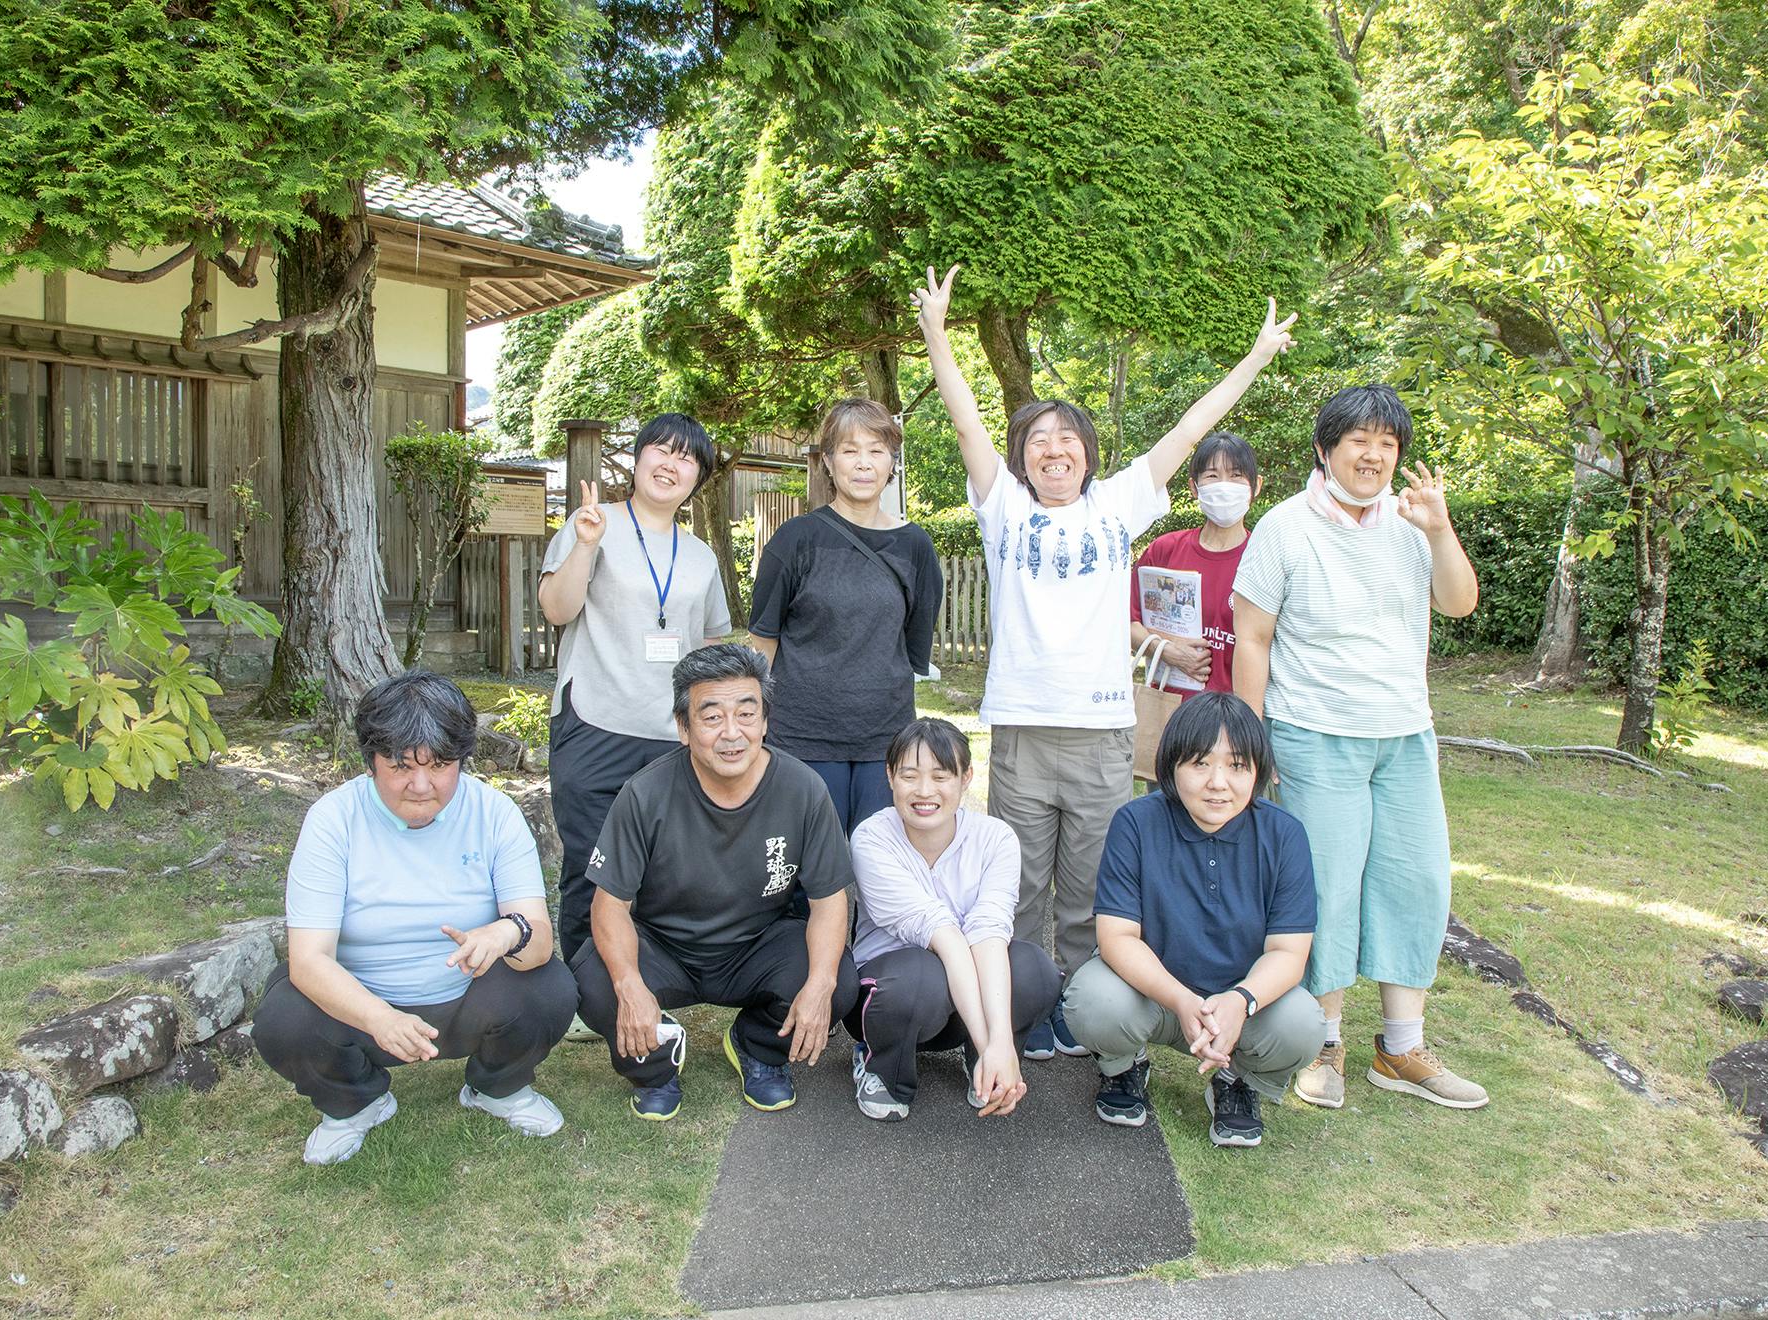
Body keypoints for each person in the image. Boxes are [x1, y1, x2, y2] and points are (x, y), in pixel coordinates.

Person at [912, 263, 1297, 1061]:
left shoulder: (1117, 505)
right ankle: (1020, 1003)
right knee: (1018, 884)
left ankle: (1079, 1008)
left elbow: (1188, 432)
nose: (1053, 451)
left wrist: (1257, 357)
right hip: (1021, 729)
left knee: (1089, 890)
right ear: (1023, 459)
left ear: (1087, 454)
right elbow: (966, 426)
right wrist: (937, 335)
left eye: (1067, 440)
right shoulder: (1003, 508)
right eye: (1037, 442)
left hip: (1101, 733)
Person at [1230, 384, 1487, 1111]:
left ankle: (1401, 1047)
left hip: (1404, 733)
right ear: (1325, 449)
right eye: (1359, 441)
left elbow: (1460, 602)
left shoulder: (1412, 523)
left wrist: (1439, 529)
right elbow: (1252, 637)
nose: (1373, 455)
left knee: (1416, 881)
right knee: (1329, 887)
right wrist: (1249, 747)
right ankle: (1324, 1041)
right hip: (1314, 731)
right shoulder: (1284, 526)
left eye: (1388, 444)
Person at [255, 672, 577, 1165]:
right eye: (400, 766)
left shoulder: (495, 812)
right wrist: (379, 1018)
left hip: (469, 996)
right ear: (371, 762)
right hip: (363, 1005)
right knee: (285, 1017)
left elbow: (537, 939)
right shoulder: (332, 820)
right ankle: (356, 1102)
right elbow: (309, 959)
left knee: (549, 987)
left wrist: (505, 932)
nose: (421, 786)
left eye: (440, 765)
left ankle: (498, 1088)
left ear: (462, 760)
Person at [570, 643, 859, 1120]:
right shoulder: (644, 793)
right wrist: (629, 984)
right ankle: (655, 1062)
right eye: (711, 717)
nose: (731, 732)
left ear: (764, 722)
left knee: (837, 979)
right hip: (664, 947)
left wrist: (821, 983)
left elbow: (829, 901)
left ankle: (756, 1045)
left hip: (756, 946)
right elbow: (609, 905)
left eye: (746, 714)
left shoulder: (803, 789)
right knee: (595, 979)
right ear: (683, 728)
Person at [1062, 693, 1322, 1148]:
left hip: (1240, 1005)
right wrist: (1182, 1000)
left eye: (1237, 766)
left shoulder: (1285, 834)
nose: (1218, 783)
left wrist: (1241, 1000)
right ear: (1172, 764)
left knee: (1303, 1024)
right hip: (1155, 998)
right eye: (1200, 763)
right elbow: (1117, 936)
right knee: (1093, 999)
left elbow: (1289, 952)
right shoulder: (1135, 823)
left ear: (1258, 770)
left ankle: (1238, 1082)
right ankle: (1123, 1066)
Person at [537, 413, 730, 998]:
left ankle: (644, 982)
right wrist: (585, 546)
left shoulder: (700, 556)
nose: (671, 465)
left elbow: (711, 643)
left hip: (671, 734)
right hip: (595, 721)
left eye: (686, 458)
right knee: (590, 866)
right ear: (639, 457)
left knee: (659, 869)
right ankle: (584, 993)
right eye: (661, 450)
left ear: (698, 477)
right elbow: (556, 609)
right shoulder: (592, 523)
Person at [844, 718, 1059, 1121]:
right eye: (910, 776)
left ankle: (986, 1065)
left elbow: (988, 934)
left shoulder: (996, 839)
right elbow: (943, 935)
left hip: (964, 999)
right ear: (890, 777)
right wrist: (993, 1041)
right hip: (892, 999)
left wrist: (998, 1043)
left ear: (966, 778)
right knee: (920, 974)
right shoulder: (872, 839)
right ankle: (882, 1069)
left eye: (941, 776)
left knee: (1034, 970)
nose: (925, 791)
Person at [749, 398, 945, 833]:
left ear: (892, 462)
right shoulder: (795, 539)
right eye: (849, 450)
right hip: (802, 736)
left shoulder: (915, 546)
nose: (863, 463)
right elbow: (763, 642)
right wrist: (755, 720)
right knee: (809, 861)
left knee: (880, 860)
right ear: (828, 460)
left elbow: (913, 645)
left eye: (876, 450)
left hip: (885, 738)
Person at [1129, 432, 1263, 697]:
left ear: (1255, 486)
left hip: (1236, 712)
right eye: (1212, 476)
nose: (1224, 486)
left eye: (1236, 475)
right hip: (1170, 707)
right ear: (1194, 487)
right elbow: (1127, 621)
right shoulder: (1165, 550)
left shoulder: (1264, 558)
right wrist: (1166, 651)